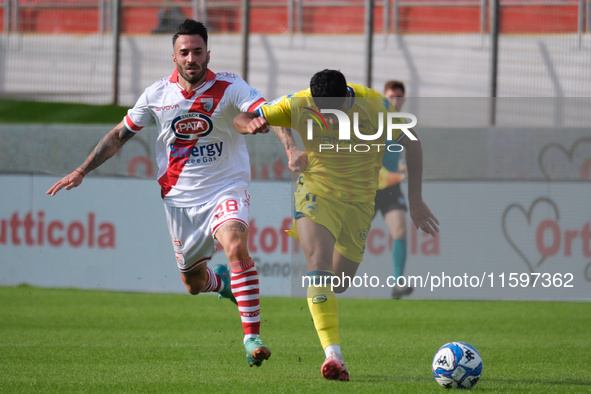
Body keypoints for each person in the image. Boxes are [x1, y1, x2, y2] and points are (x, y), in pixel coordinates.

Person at [46, 19, 271, 368]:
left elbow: (257, 110)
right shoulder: (156, 95)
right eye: (185, 52)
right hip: (180, 200)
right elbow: (120, 134)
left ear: (208, 53)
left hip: (226, 186)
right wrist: (81, 170)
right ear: (174, 56)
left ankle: (251, 337)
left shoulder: (229, 85)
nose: (192, 58)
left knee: (236, 244)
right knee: (193, 283)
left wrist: (268, 128)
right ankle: (222, 285)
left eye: (198, 51)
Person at [234, 69, 439, 381]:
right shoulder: (300, 102)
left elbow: (413, 143)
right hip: (316, 193)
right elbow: (244, 117)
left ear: (346, 96)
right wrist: (280, 140)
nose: (327, 117)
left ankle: (333, 335)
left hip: (359, 202)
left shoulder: (375, 106)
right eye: (321, 110)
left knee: (340, 282)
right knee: (318, 264)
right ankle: (333, 355)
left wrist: (416, 199)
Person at [375, 80, 412, 298]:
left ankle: (398, 283)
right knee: (351, 238)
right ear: (384, 98)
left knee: (400, 230)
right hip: (370, 187)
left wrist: (400, 167)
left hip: (391, 188)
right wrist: (397, 174)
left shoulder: (402, 124)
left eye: (399, 97)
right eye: (391, 97)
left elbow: (391, 156)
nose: (395, 101)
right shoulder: (374, 121)